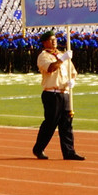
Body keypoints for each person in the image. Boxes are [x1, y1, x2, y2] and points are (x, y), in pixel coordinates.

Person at [32, 31, 85, 161]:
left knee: (67, 124)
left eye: (55, 39)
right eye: (51, 40)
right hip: (52, 94)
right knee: (50, 123)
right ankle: (38, 148)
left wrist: (72, 81)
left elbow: (73, 72)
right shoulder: (44, 56)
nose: (54, 42)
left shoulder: (62, 55)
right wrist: (62, 59)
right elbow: (50, 68)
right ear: (45, 42)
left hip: (65, 93)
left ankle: (69, 152)